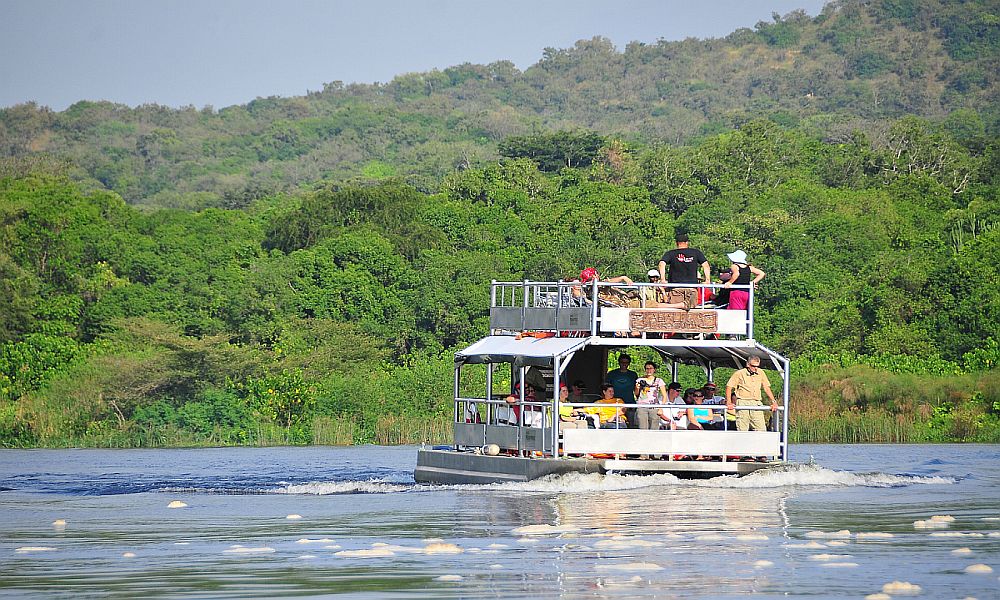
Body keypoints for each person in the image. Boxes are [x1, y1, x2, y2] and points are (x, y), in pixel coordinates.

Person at [725, 355, 778, 441]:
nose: (755, 368)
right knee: (742, 429)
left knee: (761, 429)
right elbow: (729, 387)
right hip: (742, 402)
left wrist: (773, 401)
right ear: (748, 364)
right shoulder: (739, 373)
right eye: (753, 366)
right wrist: (729, 402)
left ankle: (760, 452)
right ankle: (743, 453)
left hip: (756, 403)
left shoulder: (761, 373)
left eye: (757, 366)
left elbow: (766, 388)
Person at [658, 232, 711, 309]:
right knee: (691, 310)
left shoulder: (671, 253)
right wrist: (707, 280)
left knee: (675, 312)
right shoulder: (696, 252)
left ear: (676, 243)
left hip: (676, 288)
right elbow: (706, 265)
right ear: (687, 242)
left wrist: (663, 279)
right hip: (692, 287)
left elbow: (661, 264)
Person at [634, 361, 668, 431]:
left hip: (654, 407)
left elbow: (665, 396)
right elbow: (636, 394)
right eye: (647, 368)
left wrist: (661, 408)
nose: (649, 370)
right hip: (642, 406)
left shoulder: (659, 380)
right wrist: (637, 388)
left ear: (654, 369)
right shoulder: (640, 380)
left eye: (651, 368)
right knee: (642, 428)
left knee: (654, 428)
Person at [606, 353, 638, 425]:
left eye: (626, 363)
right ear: (619, 363)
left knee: (631, 424)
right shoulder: (612, 374)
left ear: (629, 363)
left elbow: (636, 389)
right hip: (615, 403)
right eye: (622, 362)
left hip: (629, 403)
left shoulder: (633, 374)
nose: (624, 364)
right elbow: (606, 388)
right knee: (615, 423)